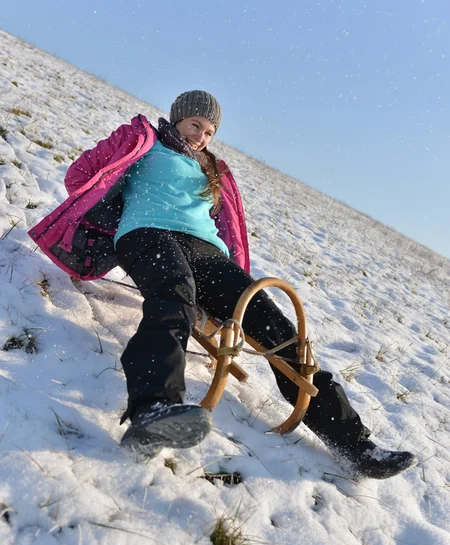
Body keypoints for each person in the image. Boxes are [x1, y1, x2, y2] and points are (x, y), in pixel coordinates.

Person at [29, 91, 417, 479]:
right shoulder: (143, 141)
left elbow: (224, 220)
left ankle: (356, 443)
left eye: (210, 131)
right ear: (178, 118)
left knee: (278, 330)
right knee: (173, 298)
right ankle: (154, 408)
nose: (201, 136)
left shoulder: (213, 168)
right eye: (195, 125)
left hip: (206, 250)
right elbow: (81, 175)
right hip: (148, 233)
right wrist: (117, 169)